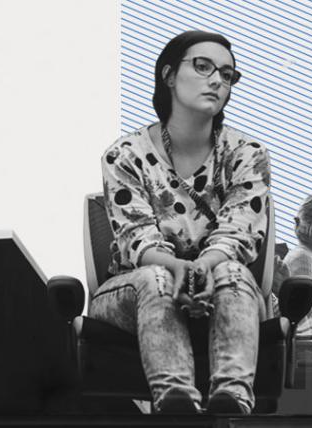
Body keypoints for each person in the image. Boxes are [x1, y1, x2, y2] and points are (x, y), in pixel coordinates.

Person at [92, 30, 270, 414]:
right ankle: (177, 406)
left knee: (232, 271)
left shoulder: (247, 154)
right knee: (156, 278)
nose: (217, 80)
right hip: (136, 290)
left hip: (221, 286)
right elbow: (137, 239)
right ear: (169, 75)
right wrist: (176, 268)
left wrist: (202, 268)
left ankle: (231, 402)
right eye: (203, 66)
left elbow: (239, 232)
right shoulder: (125, 155)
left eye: (227, 74)